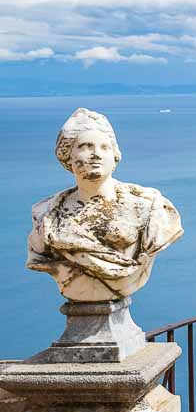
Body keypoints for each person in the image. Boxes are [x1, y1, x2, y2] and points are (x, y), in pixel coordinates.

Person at [27, 107, 183, 301]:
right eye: (85, 146)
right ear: (68, 156)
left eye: (104, 147)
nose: (95, 154)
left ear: (114, 155)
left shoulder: (149, 206)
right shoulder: (46, 215)